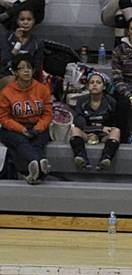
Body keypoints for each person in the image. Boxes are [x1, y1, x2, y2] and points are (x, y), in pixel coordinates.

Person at [0, 53, 51, 184]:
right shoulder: (7, 92)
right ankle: (39, 163)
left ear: (33, 70)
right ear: (16, 72)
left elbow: (47, 114)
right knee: (20, 141)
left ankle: (35, 171)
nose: (26, 71)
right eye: (22, 68)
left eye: (29, 67)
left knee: (38, 142)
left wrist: (38, 128)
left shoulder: (42, 89)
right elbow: (4, 117)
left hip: (37, 125)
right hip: (14, 128)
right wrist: (21, 129)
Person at [69, 71, 121, 171]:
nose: (94, 85)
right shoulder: (81, 101)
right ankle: (81, 157)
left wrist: (102, 131)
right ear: (88, 86)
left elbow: (115, 123)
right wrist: (97, 129)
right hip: (87, 133)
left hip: (104, 135)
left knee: (117, 131)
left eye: (98, 82)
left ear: (104, 87)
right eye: (92, 82)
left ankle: (106, 159)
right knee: (74, 130)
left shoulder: (111, 101)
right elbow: (79, 123)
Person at [0, 5, 43, 90]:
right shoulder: (7, 37)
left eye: (29, 19)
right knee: (13, 81)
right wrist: (18, 43)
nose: (25, 22)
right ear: (17, 21)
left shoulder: (38, 43)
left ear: (34, 21)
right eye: (22, 19)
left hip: (27, 77)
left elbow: (37, 67)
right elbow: (5, 60)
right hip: (7, 75)